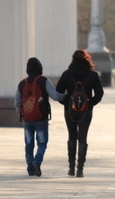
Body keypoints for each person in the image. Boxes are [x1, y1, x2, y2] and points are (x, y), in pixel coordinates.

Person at [56, 49, 104, 178]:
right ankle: (80, 169)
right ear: (87, 59)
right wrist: (90, 104)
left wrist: (67, 103)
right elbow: (99, 94)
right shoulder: (92, 75)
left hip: (69, 111)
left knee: (72, 136)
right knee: (83, 137)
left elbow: (58, 92)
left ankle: (71, 167)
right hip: (86, 111)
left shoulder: (67, 74)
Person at [13, 57, 65, 177]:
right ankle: (37, 161)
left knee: (29, 144)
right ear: (40, 68)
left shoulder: (22, 83)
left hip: (27, 120)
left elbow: (16, 102)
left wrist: (23, 114)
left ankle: (30, 168)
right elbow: (55, 96)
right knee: (42, 143)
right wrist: (66, 96)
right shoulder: (43, 81)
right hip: (41, 119)